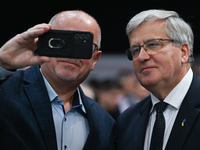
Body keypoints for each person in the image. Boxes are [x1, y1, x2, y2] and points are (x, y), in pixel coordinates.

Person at [0, 10, 116, 150]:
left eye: (82, 45)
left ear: (95, 59)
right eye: (63, 42)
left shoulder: (105, 122)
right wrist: (2, 63)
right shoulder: (6, 91)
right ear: (44, 43)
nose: (71, 54)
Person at [115, 9, 200, 150]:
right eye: (135, 50)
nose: (141, 57)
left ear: (183, 52)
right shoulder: (127, 120)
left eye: (152, 44)